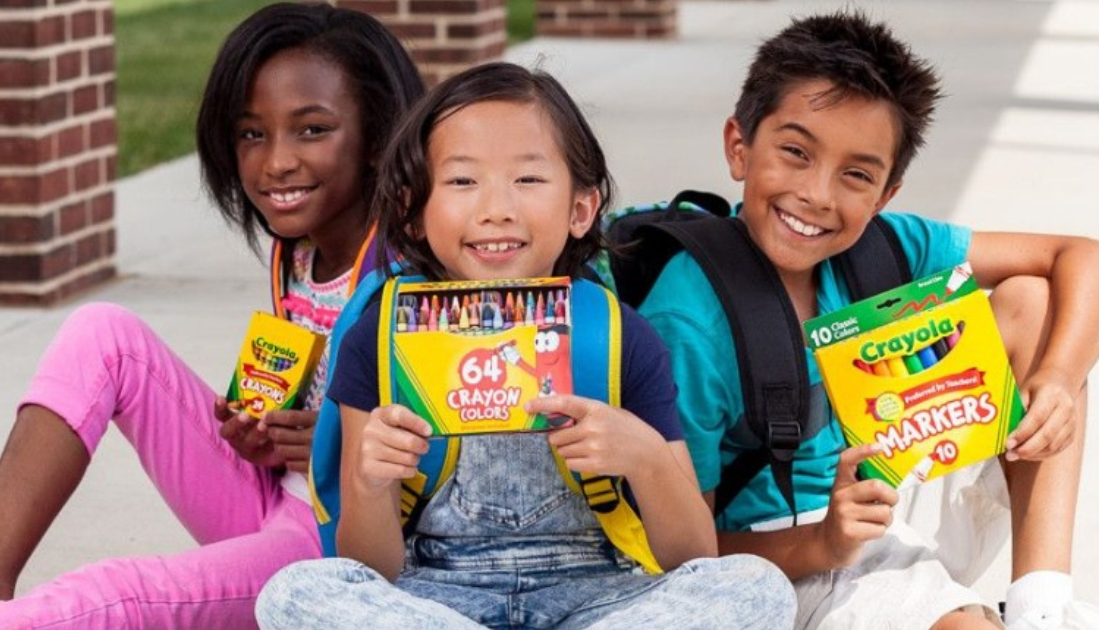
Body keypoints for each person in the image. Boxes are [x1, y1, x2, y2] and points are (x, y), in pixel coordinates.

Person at [254, 61, 797, 630]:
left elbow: (691, 554)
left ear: (581, 209)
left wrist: (644, 457)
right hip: (436, 593)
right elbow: (371, 566)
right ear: (413, 210)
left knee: (754, 588)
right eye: (462, 181)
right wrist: (371, 483)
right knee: (294, 593)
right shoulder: (380, 338)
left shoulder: (619, 335)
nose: (496, 208)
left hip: (595, 593)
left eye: (529, 179)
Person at [634, 10, 1099, 630]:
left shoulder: (885, 245)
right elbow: (685, 558)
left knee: (1034, 301)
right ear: (739, 146)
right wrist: (825, 544)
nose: (818, 195)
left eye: (856, 175)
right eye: (795, 152)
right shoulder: (689, 322)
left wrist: (1056, 376)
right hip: (784, 552)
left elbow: (1090, 258)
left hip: (894, 486)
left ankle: (1042, 605)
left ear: (886, 193)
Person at [0, 4, 424, 629]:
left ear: (377, 137)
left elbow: (463, 450)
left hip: (330, 544)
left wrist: (335, 441)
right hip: (272, 498)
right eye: (251, 134)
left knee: (122, 591)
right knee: (103, 334)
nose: (275, 162)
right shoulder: (299, 251)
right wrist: (258, 430)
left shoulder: (413, 271)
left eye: (312, 130)